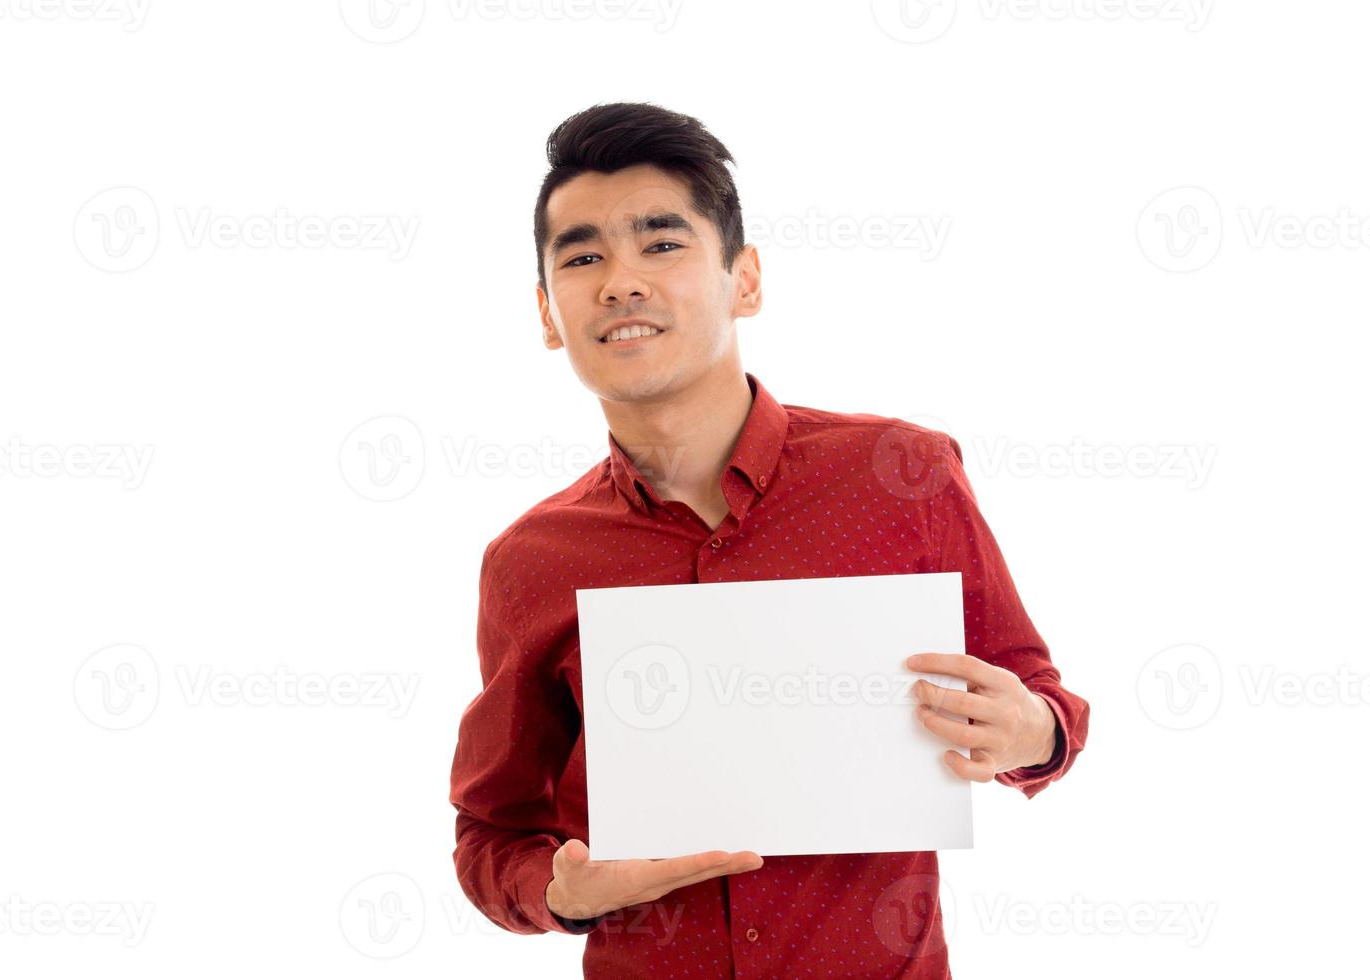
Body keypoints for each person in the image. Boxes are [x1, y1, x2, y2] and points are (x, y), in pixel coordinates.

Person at [449, 101, 1090, 979]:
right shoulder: (530, 562)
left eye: (662, 244)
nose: (621, 282)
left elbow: (1044, 703)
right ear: (549, 313)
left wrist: (1033, 734)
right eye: (584, 255)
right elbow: (491, 833)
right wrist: (560, 892)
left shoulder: (902, 473)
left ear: (744, 279)